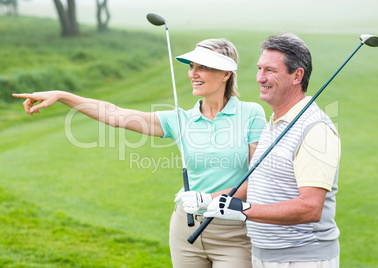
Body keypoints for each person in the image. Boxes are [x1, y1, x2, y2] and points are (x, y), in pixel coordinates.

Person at [13, 38, 266, 268]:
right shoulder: (180, 119)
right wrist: (62, 95)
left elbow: (255, 178)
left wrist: (208, 199)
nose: (193, 74)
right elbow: (115, 114)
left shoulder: (251, 114)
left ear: (226, 74)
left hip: (232, 231)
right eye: (192, 66)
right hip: (185, 227)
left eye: (203, 67)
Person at [204, 33, 341, 268]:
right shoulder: (274, 123)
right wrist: (206, 199)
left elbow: (310, 207)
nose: (260, 78)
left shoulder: (315, 129)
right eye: (259, 68)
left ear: (297, 75)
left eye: (270, 70)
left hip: (302, 258)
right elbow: (259, 184)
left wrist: (245, 209)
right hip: (264, 254)